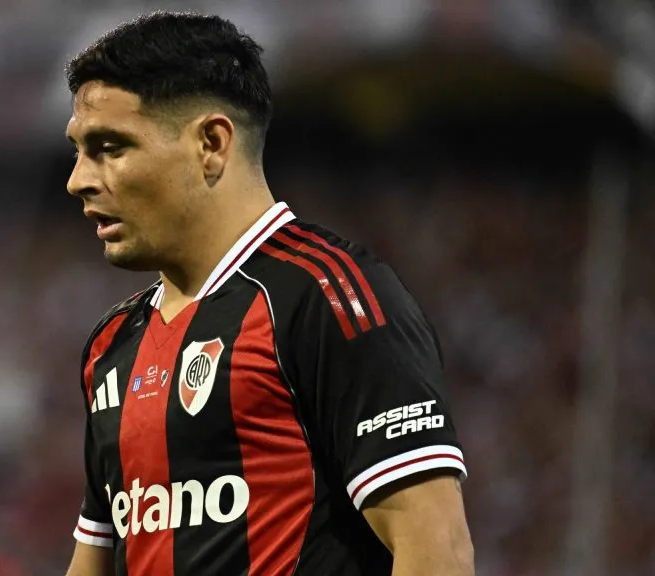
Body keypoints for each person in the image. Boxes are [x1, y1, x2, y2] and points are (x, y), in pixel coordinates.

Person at [62, 11, 474, 576]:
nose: (78, 179)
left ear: (211, 143)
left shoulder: (329, 297)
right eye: (78, 150)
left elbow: (437, 549)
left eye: (109, 147)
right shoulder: (112, 345)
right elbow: (94, 562)